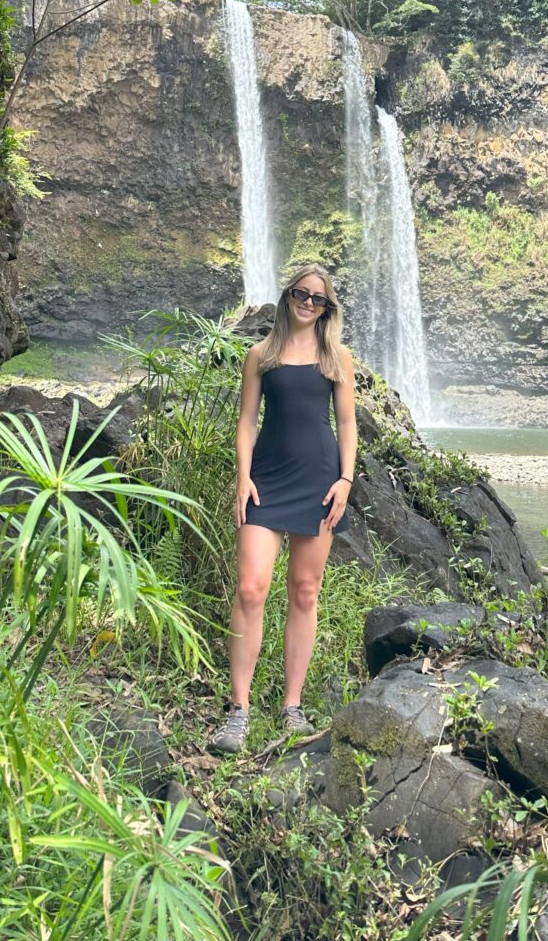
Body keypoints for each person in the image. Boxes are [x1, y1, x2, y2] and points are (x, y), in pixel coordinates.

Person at [209, 263, 357, 755]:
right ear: (287, 296)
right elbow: (247, 422)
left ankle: (292, 706)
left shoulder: (336, 358)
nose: (308, 303)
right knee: (251, 588)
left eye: (318, 298)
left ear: (326, 308)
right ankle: (238, 710)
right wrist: (243, 476)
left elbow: (347, 422)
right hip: (266, 481)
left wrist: (345, 480)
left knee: (305, 591)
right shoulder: (260, 355)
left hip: (319, 480)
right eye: (301, 294)